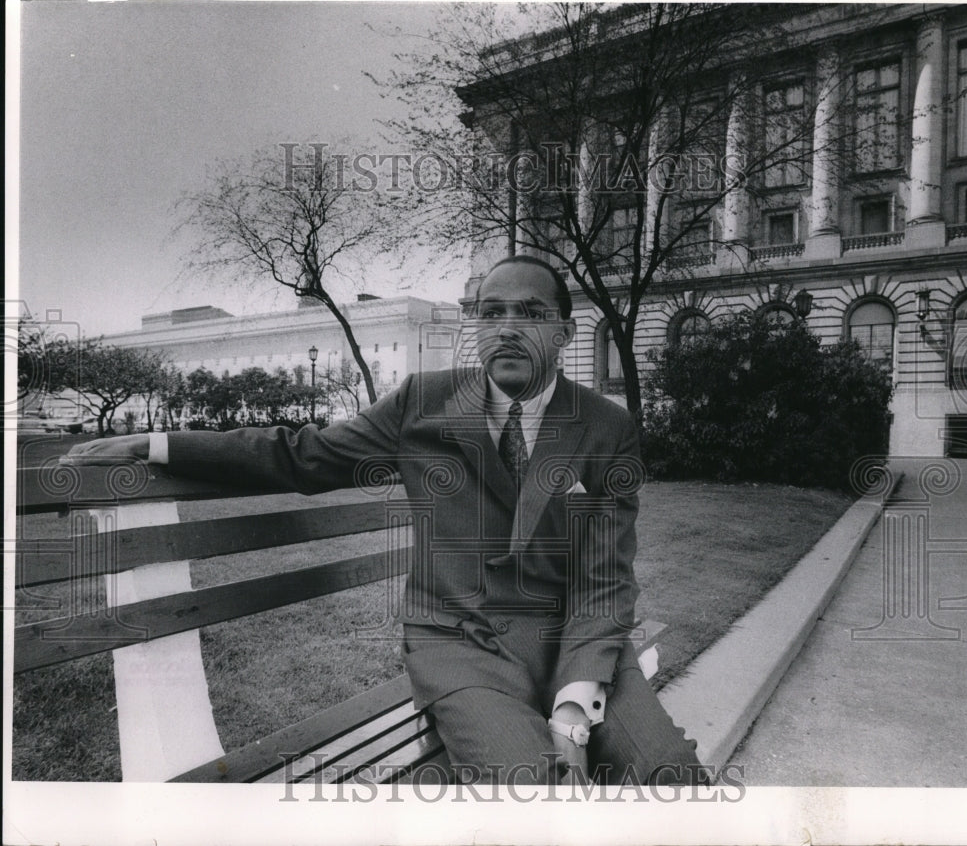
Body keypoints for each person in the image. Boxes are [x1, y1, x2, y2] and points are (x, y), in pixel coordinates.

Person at [68, 255, 701, 786]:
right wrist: (157, 444)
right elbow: (302, 455)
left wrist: (572, 710)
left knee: (673, 778)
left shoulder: (606, 426)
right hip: (463, 647)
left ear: (563, 331)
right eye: (491, 312)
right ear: (475, 327)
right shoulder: (423, 402)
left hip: (580, 644)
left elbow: (603, 580)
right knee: (532, 787)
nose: (508, 328)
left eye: (531, 314)